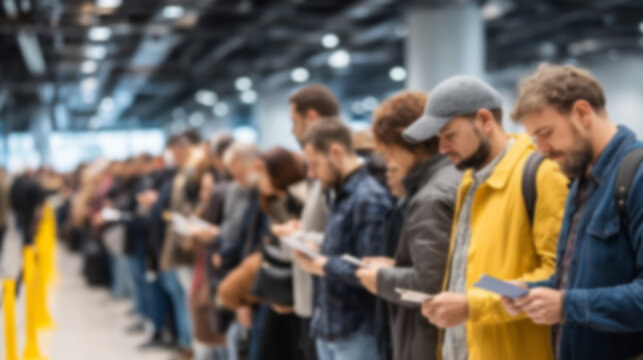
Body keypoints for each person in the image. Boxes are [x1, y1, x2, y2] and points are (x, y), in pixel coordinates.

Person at [403, 75, 569, 360]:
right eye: (439, 138)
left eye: (449, 135)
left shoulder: (542, 175)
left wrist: (472, 306)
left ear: (484, 120)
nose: (441, 148)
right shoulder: (470, 181)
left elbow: (556, 277)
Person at [503, 63, 643, 360]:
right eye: (534, 139)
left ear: (582, 113)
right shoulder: (579, 183)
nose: (541, 149)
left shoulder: (636, 177)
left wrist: (567, 306)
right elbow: (579, 279)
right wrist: (532, 290)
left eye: (546, 133)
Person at [355, 91, 461, 360]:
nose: (389, 159)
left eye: (390, 149)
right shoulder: (453, 176)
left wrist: (379, 279)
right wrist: (395, 267)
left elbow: (431, 284)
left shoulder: (431, 195)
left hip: (430, 339)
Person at [294, 119, 393, 360]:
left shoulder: (369, 197)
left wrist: (322, 264)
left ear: (336, 153)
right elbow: (343, 249)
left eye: (315, 164)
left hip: (357, 332)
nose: (311, 173)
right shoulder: (342, 192)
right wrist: (318, 250)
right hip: (329, 325)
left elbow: (368, 268)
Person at [271, 84, 342, 360]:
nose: (292, 131)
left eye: (294, 122)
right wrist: (299, 232)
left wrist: (301, 237)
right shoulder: (319, 167)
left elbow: (345, 240)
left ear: (311, 117)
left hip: (329, 301)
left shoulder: (337, 167)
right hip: (316, 299)